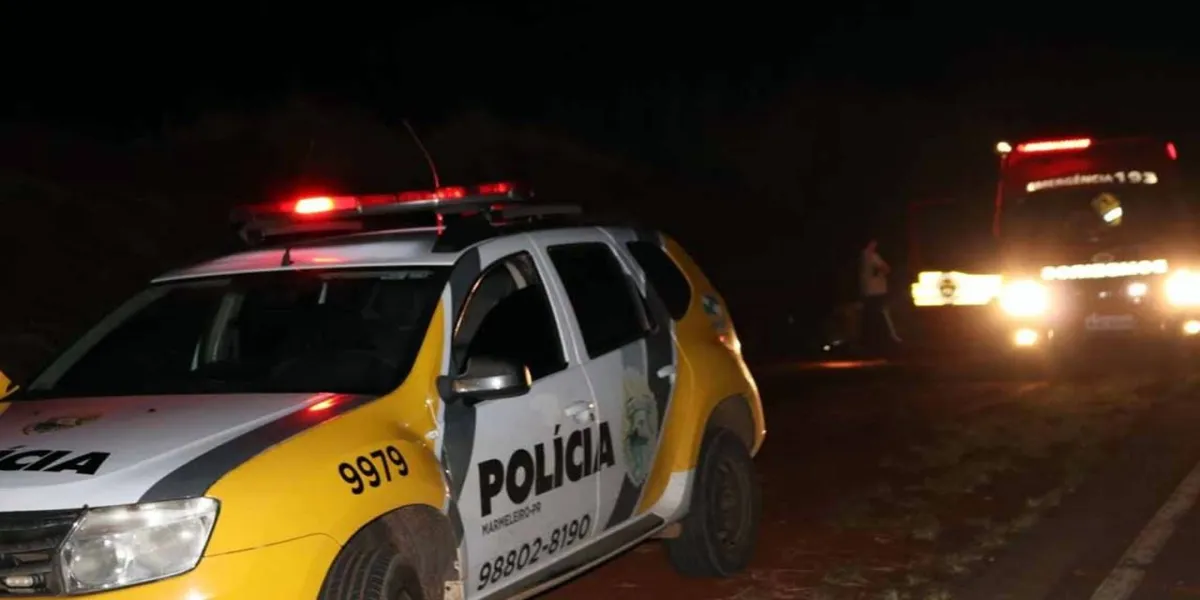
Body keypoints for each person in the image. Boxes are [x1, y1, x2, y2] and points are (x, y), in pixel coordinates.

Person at [859, 237, 902, 353]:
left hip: (868, 291)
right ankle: (890, 337)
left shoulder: (862, 256)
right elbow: (885, 268)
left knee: (870, 317)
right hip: (877, 290)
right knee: (883, 314)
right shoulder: (872, 256)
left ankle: (872, 341)